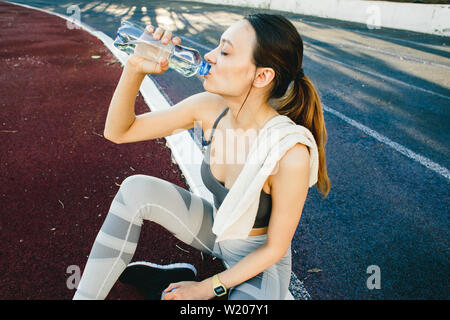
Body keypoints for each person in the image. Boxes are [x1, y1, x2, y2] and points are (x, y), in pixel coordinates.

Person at [73, 13, 330, 300]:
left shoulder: (290, 152)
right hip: (217, 233)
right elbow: (119, 132)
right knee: (135, 189)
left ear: (262, 76)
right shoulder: (209, 109)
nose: (209, 56)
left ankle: (182, 280)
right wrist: (135, 68)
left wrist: (207, 288)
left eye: (225, 51)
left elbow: (275, 249)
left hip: (259, 264)